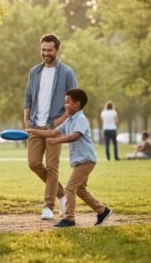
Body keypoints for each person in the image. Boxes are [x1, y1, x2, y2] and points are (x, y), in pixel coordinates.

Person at [26, 89, 112, 228]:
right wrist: (34, 131)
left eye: (67, 102)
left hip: (86, 160)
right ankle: (102, 210)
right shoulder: (69, 120)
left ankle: (69, 219)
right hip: (79, 161)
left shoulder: (80, 119)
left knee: (70, 189)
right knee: (80, 190)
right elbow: (53, 132)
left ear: (77, 104)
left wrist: (56, 141)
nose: (65, 105)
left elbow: (76, 136)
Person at [24, 34, 77, 220]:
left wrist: (61, 120)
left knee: (52, 166)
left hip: (55, 127)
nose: (45, 53)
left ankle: (48, 205)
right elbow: (28, 98)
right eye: (43, 50)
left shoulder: (67, 73)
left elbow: (74, 102)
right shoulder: (34, 72)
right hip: (36, 126)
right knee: (33, 163)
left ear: (56, 50)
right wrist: (27, 121)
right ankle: (61, 193)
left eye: (49, 50)